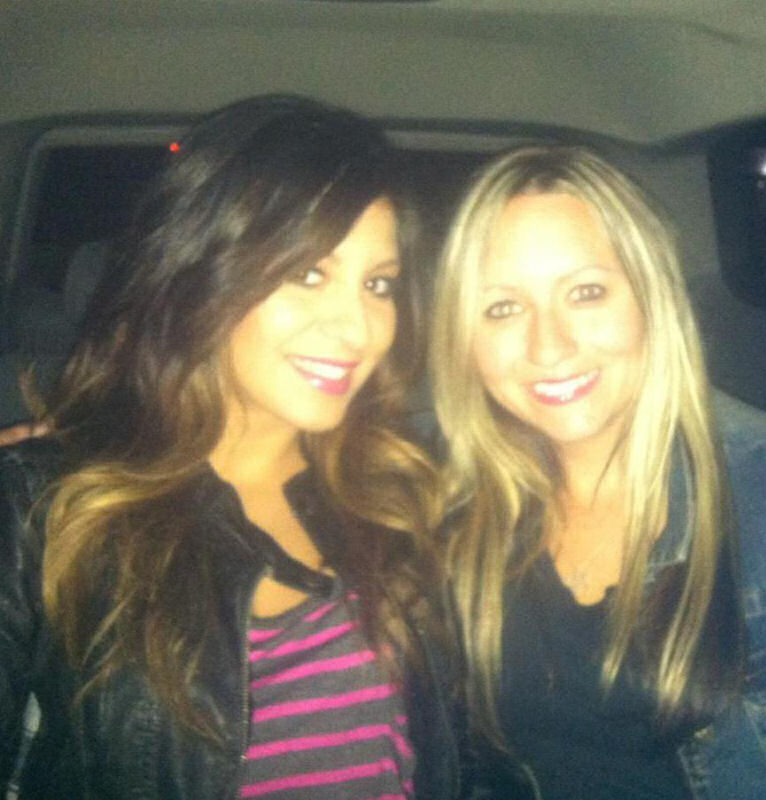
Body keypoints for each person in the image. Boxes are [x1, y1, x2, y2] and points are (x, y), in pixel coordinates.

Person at [0, 95, 505, 800]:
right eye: (308, 274)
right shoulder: (46, 506)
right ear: (202, 271)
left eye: (379, 284)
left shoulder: (405, 493)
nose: (358, 329)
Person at [430, 145, 766, 798]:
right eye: (502, 308)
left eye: (586, 292)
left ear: (653, 299)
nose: (549, 346)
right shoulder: (452, 515)